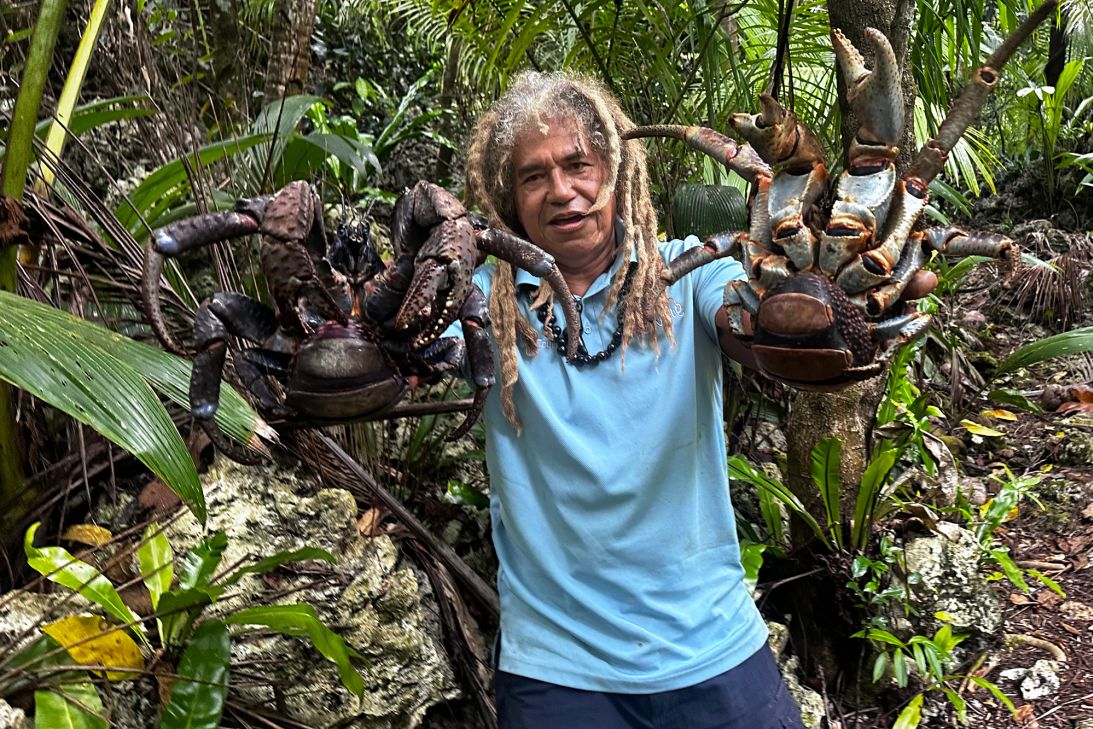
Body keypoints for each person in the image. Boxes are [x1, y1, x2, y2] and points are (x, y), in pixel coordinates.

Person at [460, 70, 805, 729]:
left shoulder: (693, 272)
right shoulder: (481, 305)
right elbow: (398, 355)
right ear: (511, 197)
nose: (561, 190)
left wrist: (789, 318)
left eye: (577, 164)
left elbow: (757, 328)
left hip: (709, 643)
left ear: (614, 171)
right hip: (557, 667)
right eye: (533, 176)